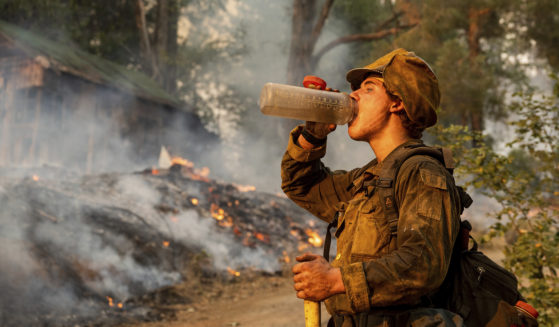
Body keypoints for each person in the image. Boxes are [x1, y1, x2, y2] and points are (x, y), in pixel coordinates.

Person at [280, 48, 464, 326]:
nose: (352, 95)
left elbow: (422, 263)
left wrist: (335, 280)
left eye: (368, 89)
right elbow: (303, 187)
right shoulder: (368, 180)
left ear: (397, 103)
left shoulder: (422, 172)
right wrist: (311, 136)